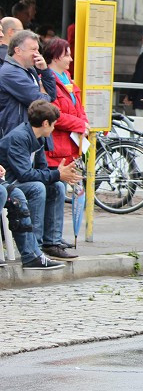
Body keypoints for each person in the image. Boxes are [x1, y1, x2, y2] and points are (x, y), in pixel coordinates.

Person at [0, 100, 82, 262]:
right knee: (38, 188)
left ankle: (52, 242)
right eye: (53, 125)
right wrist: (58, 174)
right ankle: (35, 247)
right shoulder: (19, 137)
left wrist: (59, 175)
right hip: (9, 182)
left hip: (21, 180)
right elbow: (25, 175)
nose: (53, 128)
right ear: (45, 123)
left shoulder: (39, 138)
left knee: (56, 186)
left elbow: (43, 169)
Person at [43, 38, 89, 178]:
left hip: (71, 146)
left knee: (73, 192)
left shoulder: (67, 78)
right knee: (58, 190)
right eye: (67, 55)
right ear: (56, 57)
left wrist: (84, 122)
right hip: (56, 149)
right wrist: (81, 124)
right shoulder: (46, 80)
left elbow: (79, 107)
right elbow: (54, 114)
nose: (71, 59)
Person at [0, 30, 57, 138]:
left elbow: (52, 96)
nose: (37, 54)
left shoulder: (30, 69)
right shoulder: (10, 72)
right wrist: (42, 91)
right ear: (18, 50)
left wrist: (45, 71)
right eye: (33, 49)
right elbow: (39, 102)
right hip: (16, 136)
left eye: (38, 49)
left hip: (32, 135)